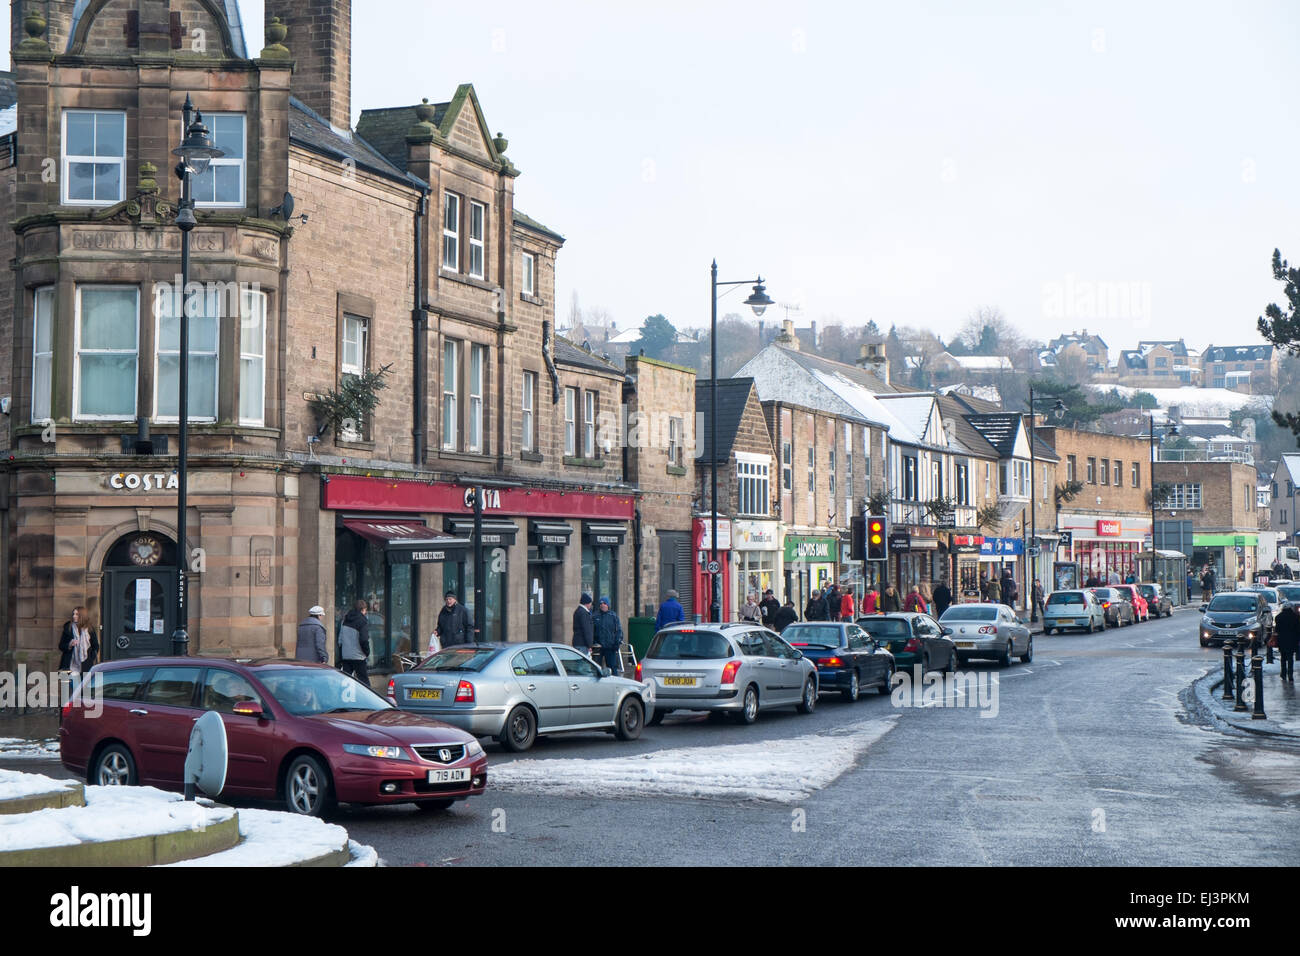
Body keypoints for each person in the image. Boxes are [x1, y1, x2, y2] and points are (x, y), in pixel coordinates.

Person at [58, 606, 99, 687]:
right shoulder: (68, 628)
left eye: (77, 614)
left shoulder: (90, 629)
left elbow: (96, 646)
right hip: (70, 667)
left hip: (86, 666)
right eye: (73, 614)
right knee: (74, 691)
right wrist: (69, 645)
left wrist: (91, 658)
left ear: (82, 616)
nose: (74, 616)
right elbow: (61, 646)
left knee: (84, 691)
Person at [338, 598, 372, 683]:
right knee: (364, 682)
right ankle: (365, 697)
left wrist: (342, 654)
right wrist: (367, 652)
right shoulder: (362, 620)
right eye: (365, 610)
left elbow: (340, 640)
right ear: (363, 609)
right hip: (359, 656)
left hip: (346, 655)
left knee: (346, 682)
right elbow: (364, 639)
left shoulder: (345, 620)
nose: (365, 612)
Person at [593, 596, 624, 676]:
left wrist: (616, 644)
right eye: (601, 603)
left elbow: (619, 631)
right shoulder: (595, 616)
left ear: (608, 605)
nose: (602, 605)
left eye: (604, 603)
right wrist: (593, 642)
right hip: (598, 648)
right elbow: (591, 631)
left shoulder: (613, 616)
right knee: (596, 668)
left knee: (612, 668)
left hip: (610, 647)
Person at [1275, 602, 1300, 682]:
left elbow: (1277, 629)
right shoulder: (1295, 617)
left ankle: (1283, 673)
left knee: (1283, 657)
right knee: (1290, 658)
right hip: (1292, 640)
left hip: (1282, 640)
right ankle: (1290, 674)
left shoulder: (1278, 617)